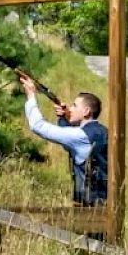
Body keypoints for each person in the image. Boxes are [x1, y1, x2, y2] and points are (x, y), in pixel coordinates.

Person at [20, 75, 108, 207]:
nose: (71, 108)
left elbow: (38, 126)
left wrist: (31, 96)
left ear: (86, 111)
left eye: (74, 105)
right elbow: (70, 144)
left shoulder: (81, 136)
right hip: (106, 203)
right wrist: (63, 118)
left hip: (90, 208)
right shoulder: (102, 131)